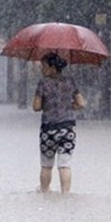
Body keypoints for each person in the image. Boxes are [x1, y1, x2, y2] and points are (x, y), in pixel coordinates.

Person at [32, 52, 86, 194]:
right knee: (64, 165)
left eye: (44, 66)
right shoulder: (70, 81)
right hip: (67, 129)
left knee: (46, 165)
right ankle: (65, 194)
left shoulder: (43, 83)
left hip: (48, 130)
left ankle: (44, 192)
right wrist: (68, 105)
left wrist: (48, 104)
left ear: (52, 68)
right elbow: (81, 103)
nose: (42, 69)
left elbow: (36, 107)